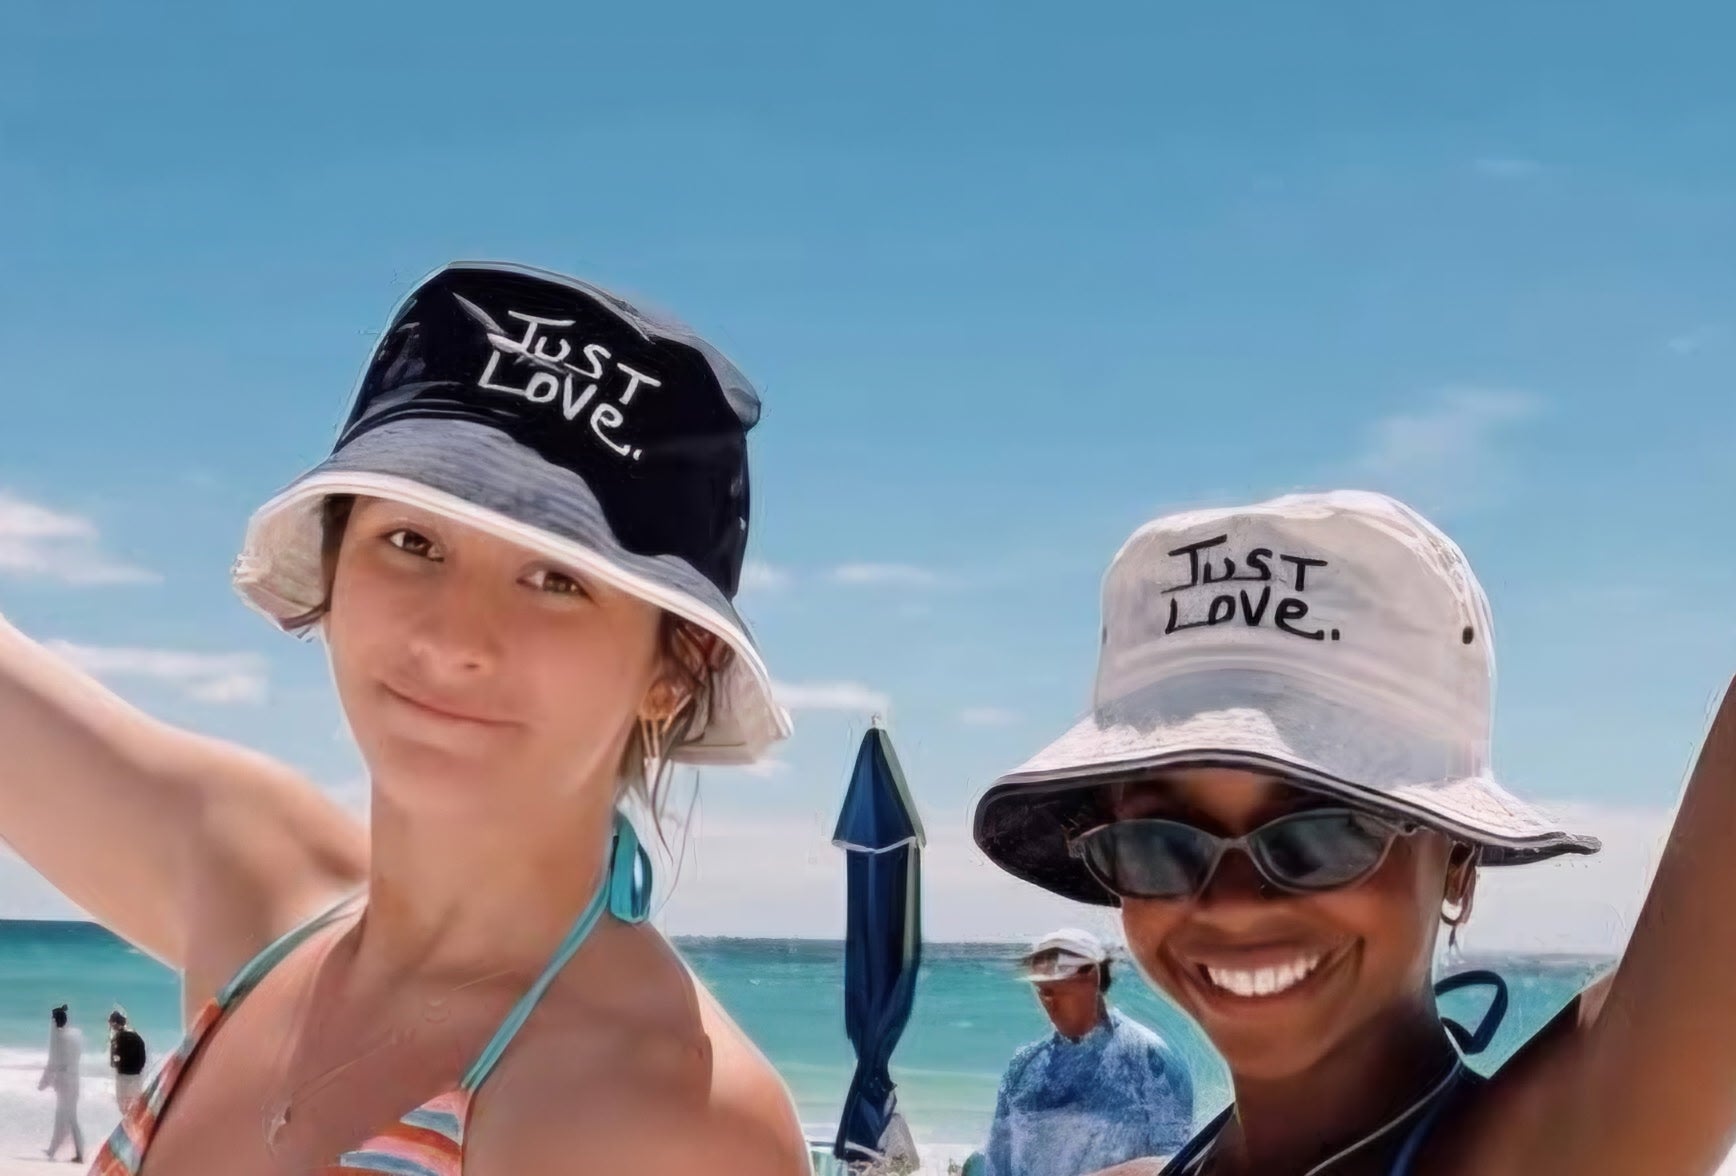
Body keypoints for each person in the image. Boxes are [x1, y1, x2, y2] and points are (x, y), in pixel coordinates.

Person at [0, 261, 808, 1174]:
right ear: (336, 565)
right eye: (413, 541)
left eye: (557, 580)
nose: (454, 638)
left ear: (674, 668)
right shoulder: (260, 886)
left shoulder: (668, 1119)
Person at [973, 489, 1736, 1175]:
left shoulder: (1546, 1155)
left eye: (1323, 834)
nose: (1231, 903)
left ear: (1458, 857)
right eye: (1159, 845)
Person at [982, 928, 1193, 1176]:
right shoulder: (1023, 1066)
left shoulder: (1149, 1058)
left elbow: (1176, 1162)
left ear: (1092, 978)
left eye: (1058, 989)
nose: (1050, 1003)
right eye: (1042, 991)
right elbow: (995, 1165)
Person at [37, 1004, 84, 1163]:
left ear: (54, 1021)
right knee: (67, 1116)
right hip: (74, 1078)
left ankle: (79, 1153)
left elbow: (52, 1063)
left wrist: (43, 1083)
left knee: (68, 1117)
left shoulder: (58, 1039)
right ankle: (53, 1149)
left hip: (64, 1082)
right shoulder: (76, 1035)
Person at [107, 1007, 147, 1113]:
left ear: (114, 1024)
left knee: (123, 1105)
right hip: (137, 1075)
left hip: (123, 1076)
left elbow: (113, 1062)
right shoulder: (136, 1036)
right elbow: (143, 1057)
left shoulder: (116, 1039)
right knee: (135, 1104)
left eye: (110, 1023)